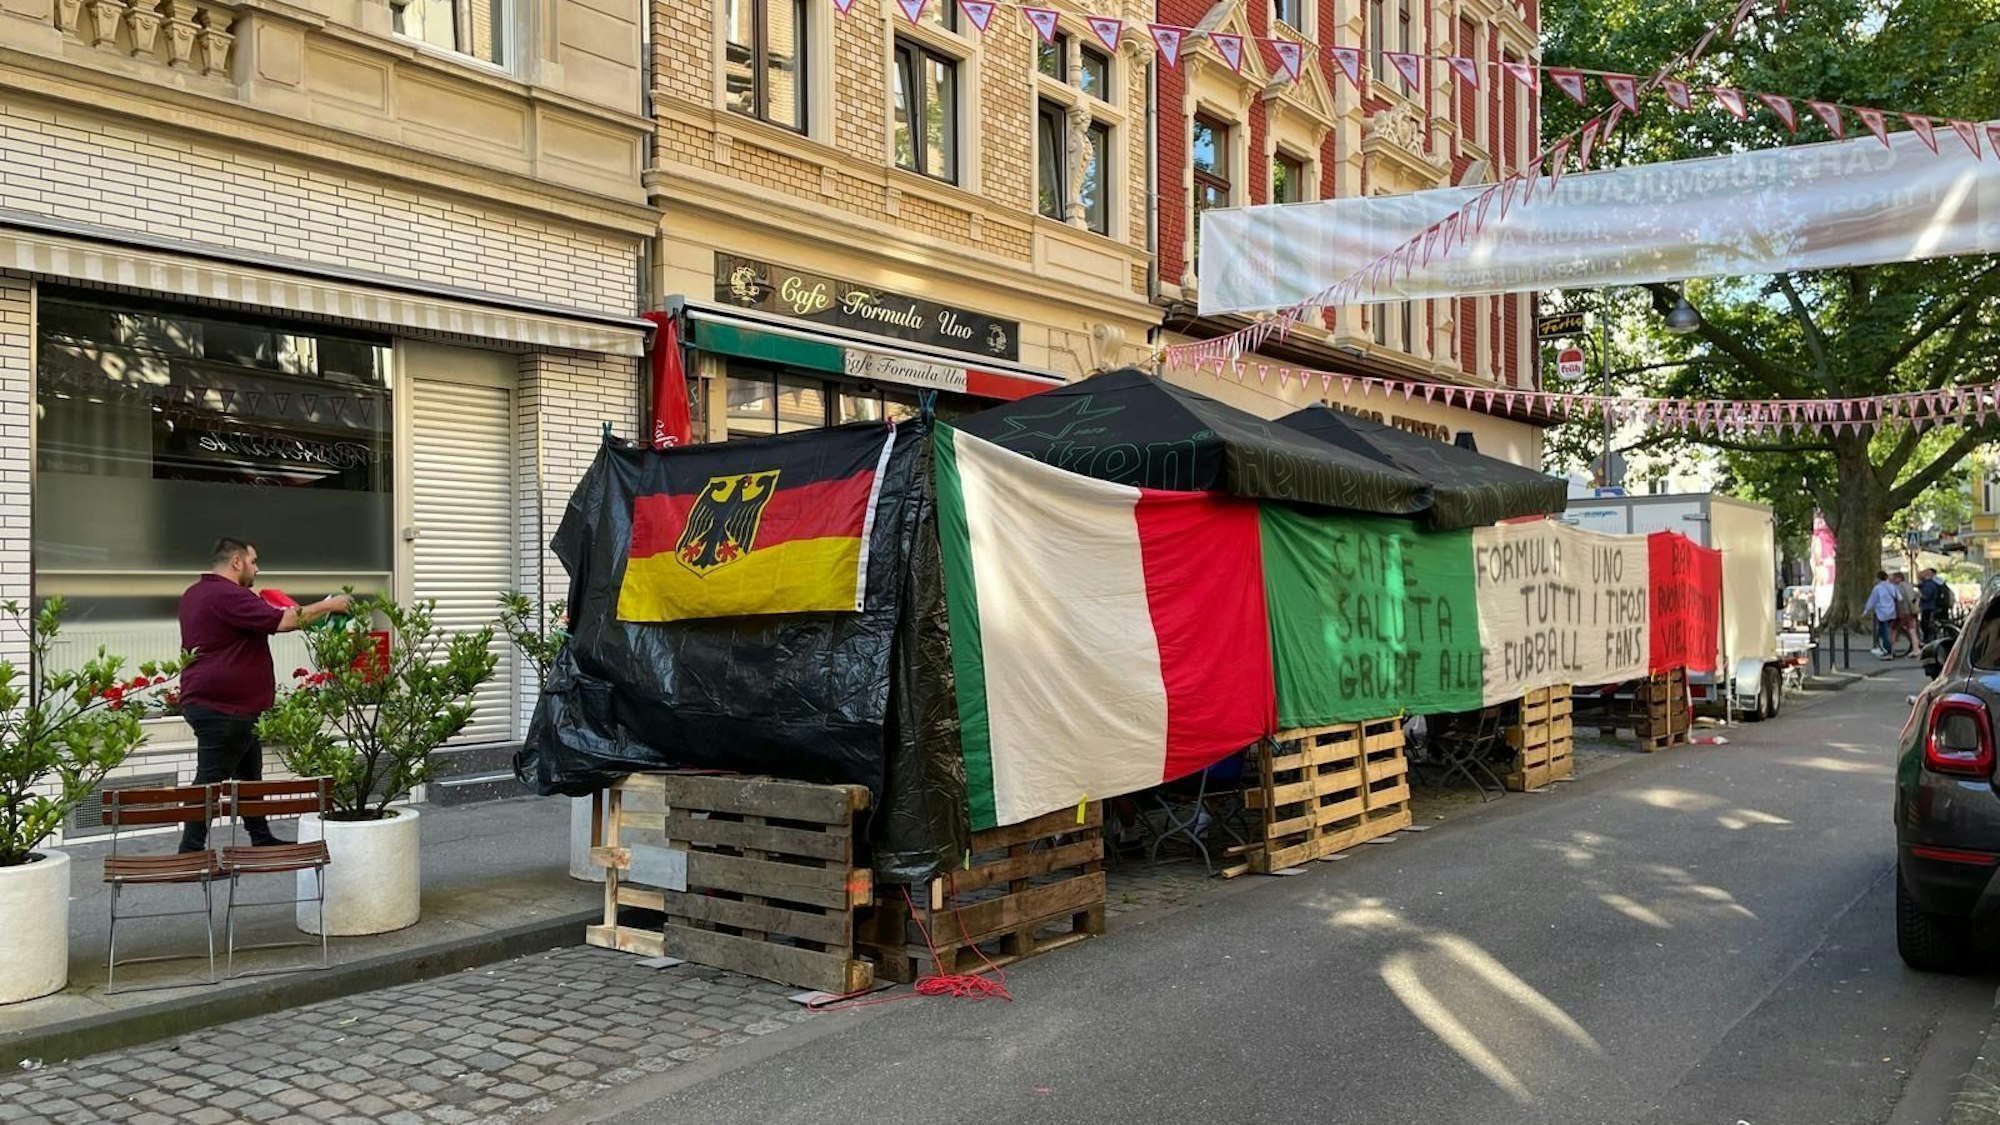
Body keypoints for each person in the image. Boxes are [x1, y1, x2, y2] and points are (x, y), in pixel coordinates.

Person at [177, 538, 351, 853]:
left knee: (249, 774)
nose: (257, 569)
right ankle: (189, 852)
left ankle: (260, 837)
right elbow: (284, 621)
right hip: (224, 708)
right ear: (236, 562)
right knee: (210, 781)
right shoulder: (228, 594)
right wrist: (329, 605)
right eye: (253, 561)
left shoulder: (195, 594)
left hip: (222, 704)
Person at [1864, 571, 1899, 658]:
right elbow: (1899, 598)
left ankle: (1888, 651)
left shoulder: (1877, 588)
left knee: (1884, 633)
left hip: (1882, 613)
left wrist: (1866, 610)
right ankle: (1881, 647)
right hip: (1892, 612)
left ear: (1878, 578)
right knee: (1884, 631)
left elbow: (1872, 600)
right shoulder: (1892, 587)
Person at [1918, 568, 1952, 641]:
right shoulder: (1938, 582)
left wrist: (1918, 594)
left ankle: (1928, 639)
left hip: (1928, 607)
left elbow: (1926, 596)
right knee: (1933, 623)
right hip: (1936, 606)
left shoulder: (1929, 584)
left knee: (1926, 624)